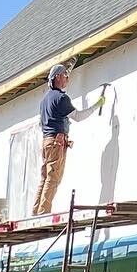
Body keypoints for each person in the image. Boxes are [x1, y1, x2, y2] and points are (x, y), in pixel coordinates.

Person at [34, 64, 105, 215]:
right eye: (65, 75)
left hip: (47, 141)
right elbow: (78, 117)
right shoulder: (61, 98)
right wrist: (96, 105)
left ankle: (36, 210)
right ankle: (43, 213)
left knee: (45, 176)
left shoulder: (44, 100)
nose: (67, 78)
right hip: (56, 142)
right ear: (58, 77)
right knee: (53, 178)